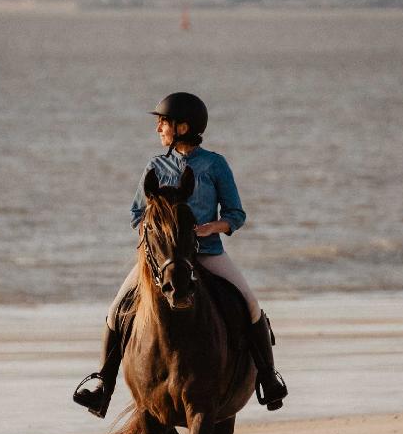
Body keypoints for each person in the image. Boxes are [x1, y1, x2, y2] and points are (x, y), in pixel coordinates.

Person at [72, 91, 288, 417]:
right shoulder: (154, 166)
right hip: (161, 260)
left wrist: (208, 228)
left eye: (164, 123)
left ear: (183, 127)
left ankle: (269, 380)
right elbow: (136, 214)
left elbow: (236, 214)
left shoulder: (215, 165)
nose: (159, 129)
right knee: (118, 308)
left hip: (207, 253)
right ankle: (103, 385)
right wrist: (158, 234)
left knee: (250, 304)